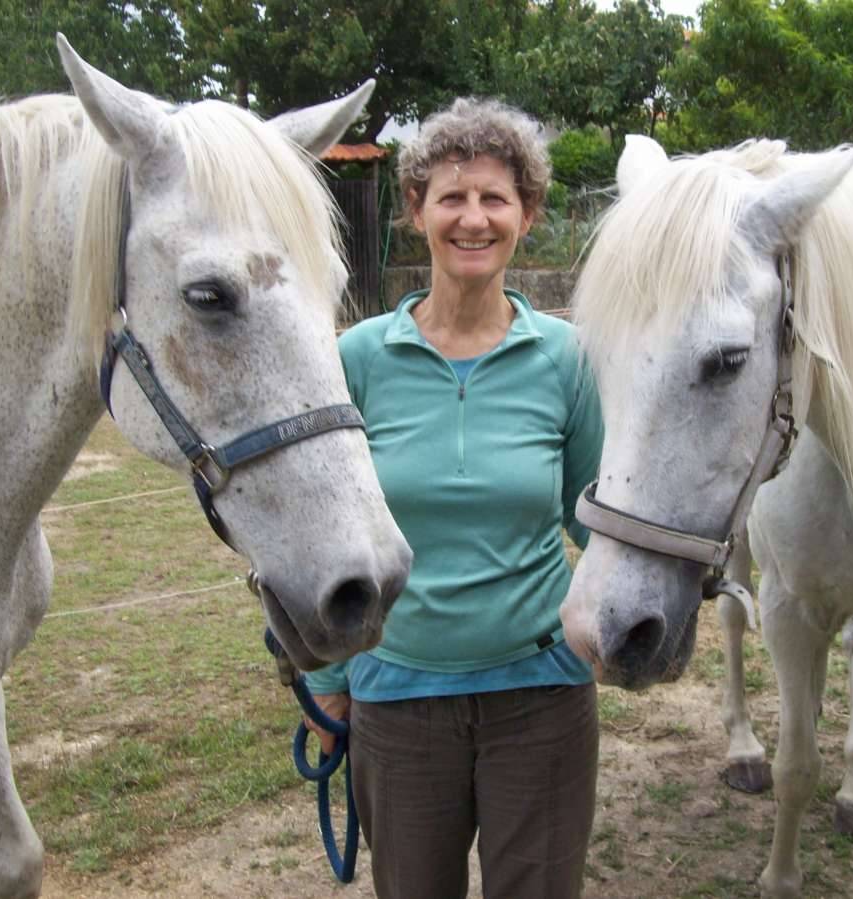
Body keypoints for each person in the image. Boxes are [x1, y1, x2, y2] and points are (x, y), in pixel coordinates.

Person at [303, 97, 604, 899]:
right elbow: (321, 529)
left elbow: (595, 521)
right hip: (400, 699)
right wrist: (321, 673)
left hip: (542, 696)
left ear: (528, 215)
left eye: (496, 198)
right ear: (416, 211)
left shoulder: (567, 358)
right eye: (452, 196)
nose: (474, 218)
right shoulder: (357, 359)